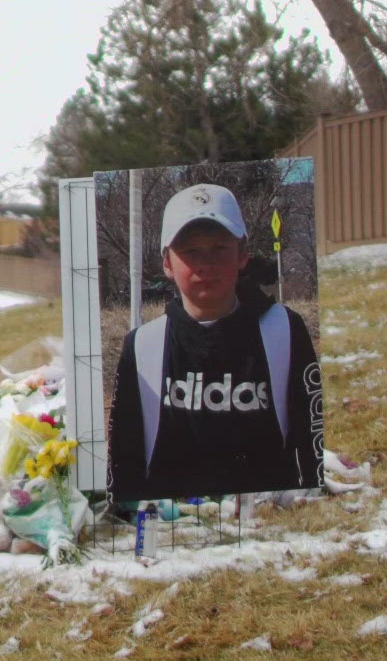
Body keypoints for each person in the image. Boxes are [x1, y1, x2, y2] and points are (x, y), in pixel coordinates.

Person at [107, 183, 323, 505]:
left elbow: (312, 444)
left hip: (267, 522)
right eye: (191, 252)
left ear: (242, 255)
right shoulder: (141, 346)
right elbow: (124, 465)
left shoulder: (285, 330)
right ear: (167, 263)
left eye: (219, 248)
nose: (205, 265)